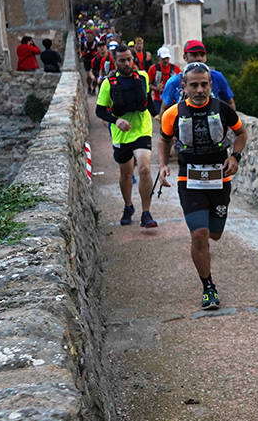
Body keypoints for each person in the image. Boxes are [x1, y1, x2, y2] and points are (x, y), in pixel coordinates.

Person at [158, 62, 247, 310]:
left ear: (210, 85)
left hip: (220, 180)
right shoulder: (172, 114)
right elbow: (163, 140)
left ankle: (207, 242)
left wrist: (235, 157)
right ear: (183, 86)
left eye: (204, 84)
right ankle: (208, 286)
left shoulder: (222, 109)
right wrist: (163, 165)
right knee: (200, 234)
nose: (199, 90)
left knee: (214, 234)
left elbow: (242, 134)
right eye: (194, 85)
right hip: (190, 180)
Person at [95, 44, 159, 229]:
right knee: (126, 174)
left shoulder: (143, 77)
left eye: (129, 59)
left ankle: (146, 213)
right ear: (115, 62)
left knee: (145, 168)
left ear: (133, 59)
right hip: (121, 133)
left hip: (142, 128)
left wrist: (158, 116)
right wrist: (116, 121)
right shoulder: (108, 83)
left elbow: (147, 100)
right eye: (122, 60)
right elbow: (99, 111)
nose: (126, 63)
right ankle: (128, 206)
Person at [159, 40, 235, 114]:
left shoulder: (217, 77)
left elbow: (230, 103)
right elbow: (164, 109)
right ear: (185, 57)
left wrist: (229, 123)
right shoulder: (174, 82)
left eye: (202, 55)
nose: (199, 58)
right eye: (194, 55)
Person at [148, 46, 180, 117]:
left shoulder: (175, 69)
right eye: (163, 59)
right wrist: (156, 88)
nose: (165, 60)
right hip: (159, 99)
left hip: (173, 100)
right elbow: (149, 84)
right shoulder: (153, 69)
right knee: (162, 119)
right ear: (158, 58)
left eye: (167, 58)